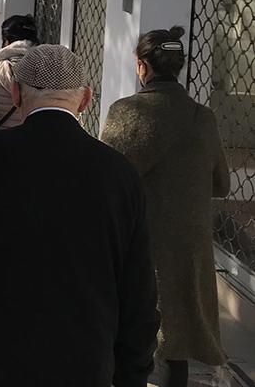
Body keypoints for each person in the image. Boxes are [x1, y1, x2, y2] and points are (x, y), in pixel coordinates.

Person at [0, 44, 159, 387]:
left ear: (16, 93)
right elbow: (139, 291)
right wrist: (132, 376)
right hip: (83, 363)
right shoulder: (120, 174)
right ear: (85, 99)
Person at [101, 27, 229, 387]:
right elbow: (222, 183)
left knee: (126, 336)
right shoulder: (204, 118)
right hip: (189, 245)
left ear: (142, 67)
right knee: (176, 342)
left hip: (136, 241)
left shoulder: (126, 112)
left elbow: (106, 180)